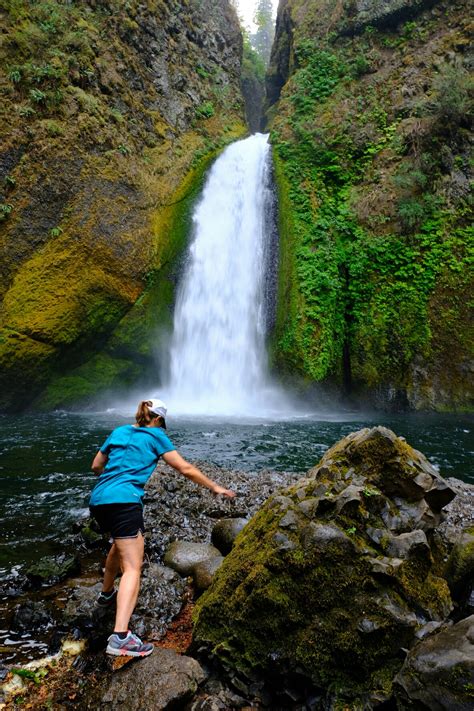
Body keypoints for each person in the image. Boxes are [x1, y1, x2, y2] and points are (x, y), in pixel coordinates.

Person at [89, 398, 235, 658]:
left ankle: (106, 592)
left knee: (119, 544)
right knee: (133, 566)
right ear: (158, 420)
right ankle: (120, 637)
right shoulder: (156, 436)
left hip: (99, 500)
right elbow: (184, 468)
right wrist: (215, 487)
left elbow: (96, 466)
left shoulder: (120, 431)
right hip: (124, 502)